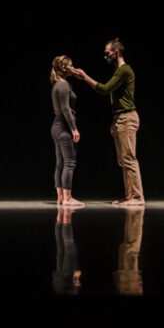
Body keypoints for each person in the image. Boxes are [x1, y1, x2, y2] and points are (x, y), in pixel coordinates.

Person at [70, 38, 144, 207]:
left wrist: (85, 77)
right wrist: (115, 121)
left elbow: (104, 89)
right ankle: (129, 196)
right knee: (123, 160)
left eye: (107, 53)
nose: (105, 57)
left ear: (116, 52)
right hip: (121, 118)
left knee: (129, 159)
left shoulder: (124, 70)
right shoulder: (119, 71)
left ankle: (138, 197)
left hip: (127, 118)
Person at [50, 55, 84, 208]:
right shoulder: (63, 85)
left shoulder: (57, 84)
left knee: (60, 163)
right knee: (69, 163)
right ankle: (67, 198)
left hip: (57, 127)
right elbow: (65, 108)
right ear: (64, 68)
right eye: (71, 65)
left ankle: (60, 198)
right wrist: (74, 129)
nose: (73, 68)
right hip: (63, 126)